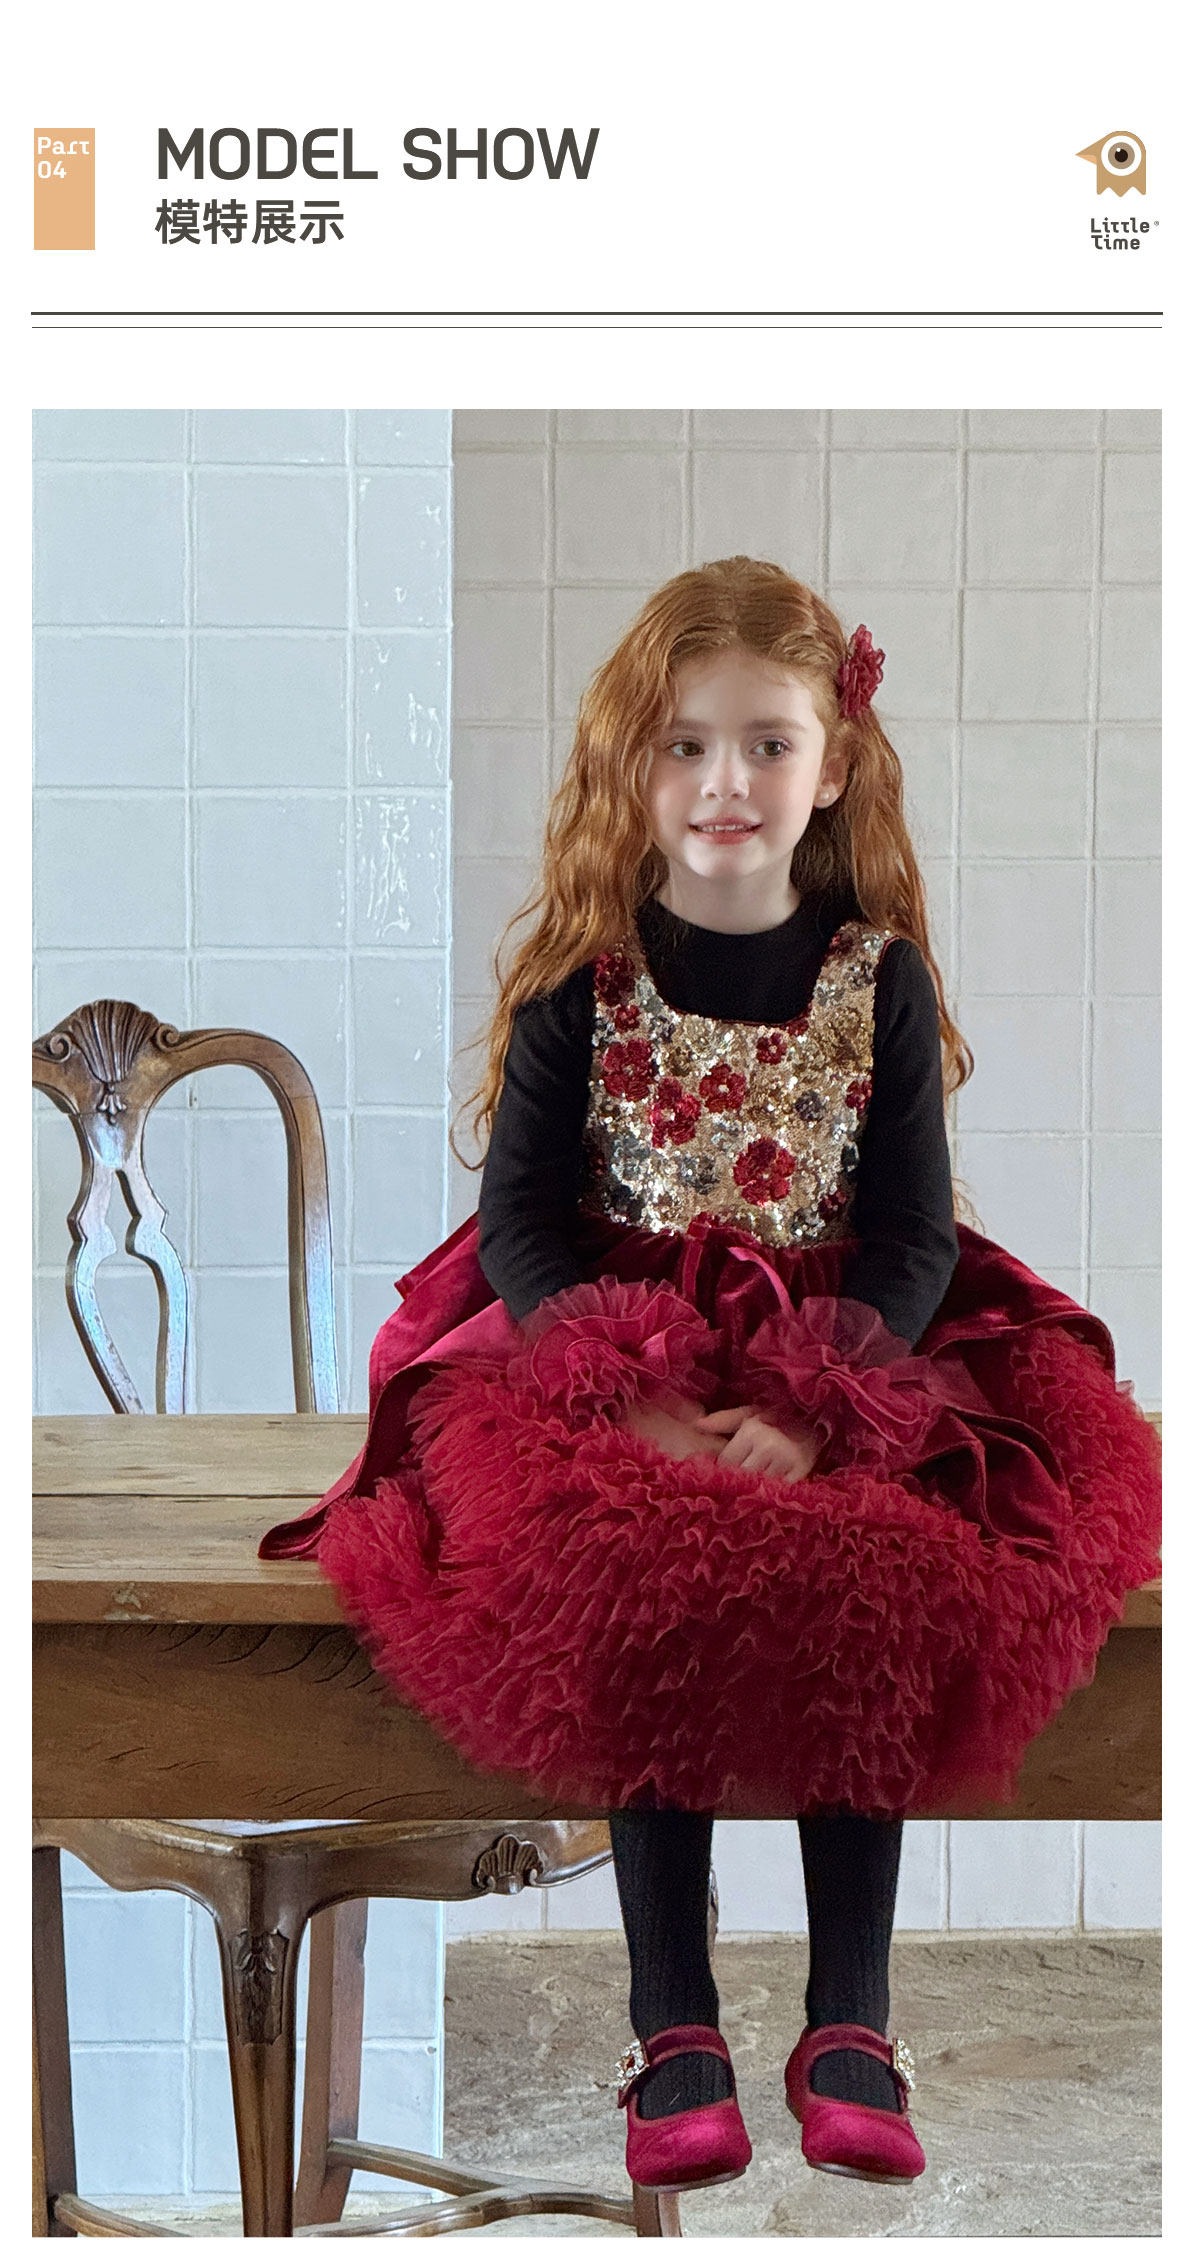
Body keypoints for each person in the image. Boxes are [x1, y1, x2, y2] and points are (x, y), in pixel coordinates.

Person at [261, 558, 1160, 2198]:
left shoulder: (877, 978)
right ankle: (670, 2015)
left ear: (834, 762)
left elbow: (914, 1234)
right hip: (609, 1346)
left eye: (765, 742)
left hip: (843, 1346)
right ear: (634, 762)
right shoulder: (581, 980)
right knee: (635, 1570)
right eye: (684, 745)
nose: (724, 781)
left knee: (875, 1568)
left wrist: (821, 1403)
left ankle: (849, 2016)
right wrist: (628, 1394)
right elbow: (521, 1231)